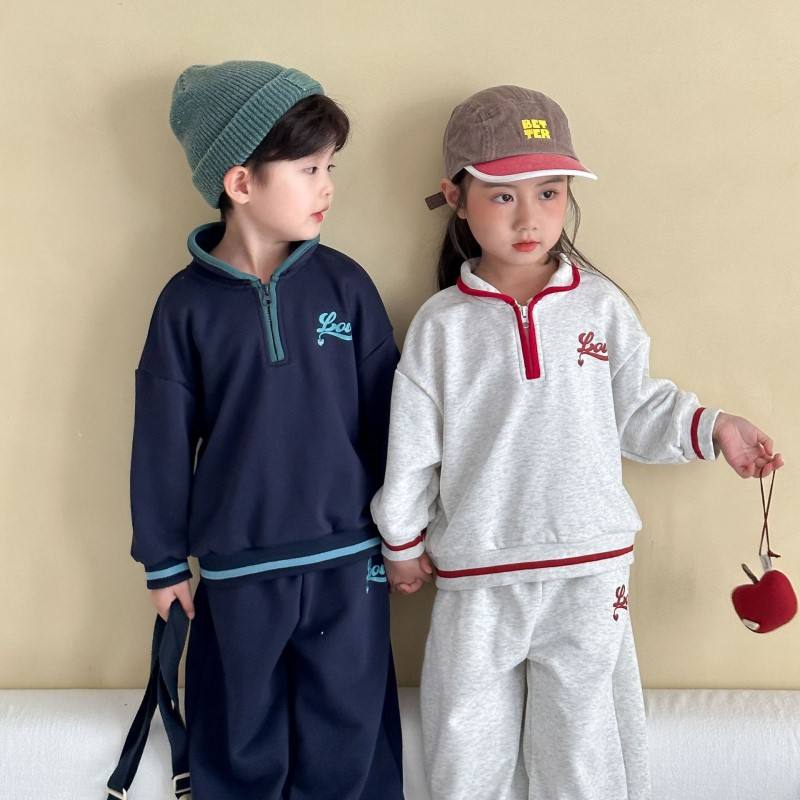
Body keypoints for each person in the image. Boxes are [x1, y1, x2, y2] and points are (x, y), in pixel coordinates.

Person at [370, 85, 783, 800]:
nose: (529, 217)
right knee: (465, 746)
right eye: (503, 195)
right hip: (479, 574)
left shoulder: (601, 306)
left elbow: (638, 407)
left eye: (550, 193)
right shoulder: (441, 326)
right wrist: (401, 541)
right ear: (456, 197)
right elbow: (413, 444)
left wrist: (716, 428)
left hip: (589, 571)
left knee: (584, 749)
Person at [130, 60, 403, 800]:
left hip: (350, 560)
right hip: (237, 571)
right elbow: (161, 439)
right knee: (238, 740)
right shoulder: (184, 307)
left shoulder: (346, 285)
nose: (328, 186)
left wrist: (407, 531)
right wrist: (163, 562)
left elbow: (392, 419)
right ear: (241, 182)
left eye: (330, 167)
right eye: (309, 168)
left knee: (349, 735)